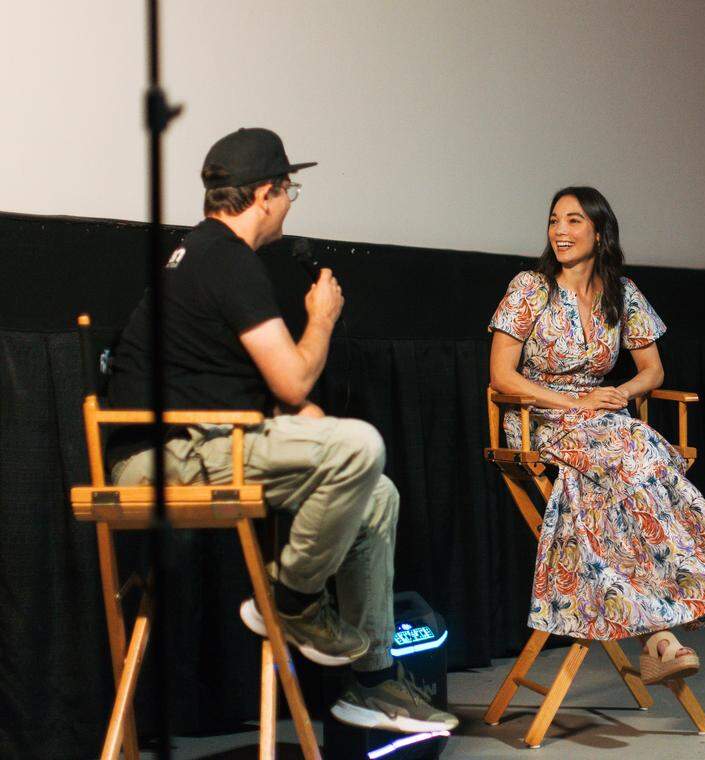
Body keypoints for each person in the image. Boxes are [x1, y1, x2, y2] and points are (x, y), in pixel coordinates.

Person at [106, 127, 457, 734]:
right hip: (158, 459)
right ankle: (294, 603)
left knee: (377, 494)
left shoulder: (203, 254)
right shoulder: (227, 260)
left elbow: (248, 389)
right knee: (361, 445)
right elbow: (294, 381)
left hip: (206, 441)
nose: (290, 202)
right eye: (289, 189)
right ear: (265, 193)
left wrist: (309, 429)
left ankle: (371, 682)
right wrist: (319, 319)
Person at [488, 186, 705, 682]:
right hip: (539, 417)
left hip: (598, 418)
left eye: (574, 221)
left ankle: (658, 639)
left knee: (632, 461)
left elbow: (652, 371)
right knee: (634, 453)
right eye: (555, 220)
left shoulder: (623, 292)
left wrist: (620, 392)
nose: (561, 231)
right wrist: (575, 402)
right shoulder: (530, 286)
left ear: (599, 232)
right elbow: (503, 378)